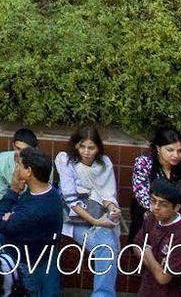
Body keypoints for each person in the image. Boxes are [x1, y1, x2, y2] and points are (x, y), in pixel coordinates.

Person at [57, 125, 121, 297]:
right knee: (107, 247)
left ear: (98, 148)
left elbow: (108, 195)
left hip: (100, 215)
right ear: (76, 145)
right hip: (74, 220)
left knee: (107, 246)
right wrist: (95, 222)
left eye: (91, 147)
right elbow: (71, 201)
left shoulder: (104, 162)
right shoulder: (65, 160)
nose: (86, 151)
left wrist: (113, 209)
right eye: (82, 146)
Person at [0, 148, 67, 297]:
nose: (16, 169)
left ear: (29, 171)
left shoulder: (32, 211)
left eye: (19, 165)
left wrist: (13, 190)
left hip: (27, 265)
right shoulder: (51, 193)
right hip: (45, 256)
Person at [133, 126, 181, 253]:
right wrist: (158, 210)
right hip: (151, 213)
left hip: (180, 217)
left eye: (180, 151)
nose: (176, 155)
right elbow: (141, 194)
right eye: (170, 150)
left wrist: (173, 214)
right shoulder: (144, 163)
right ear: (158, 148)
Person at [140, 178, 181, 297]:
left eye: (163, 204)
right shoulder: (152, 218)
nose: (156, 207)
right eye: (153, 201)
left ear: (176, 208)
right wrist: (156, 266)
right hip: (148, 290)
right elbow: (138, 247)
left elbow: (163, 278)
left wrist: (148, 253)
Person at [0, 127, 40, 200]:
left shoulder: (43, 165)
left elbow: (42, 196)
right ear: (13, 146)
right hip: (6, 204)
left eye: (26, 150)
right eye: (18, 148)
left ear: (34, 150)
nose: (21, 154)